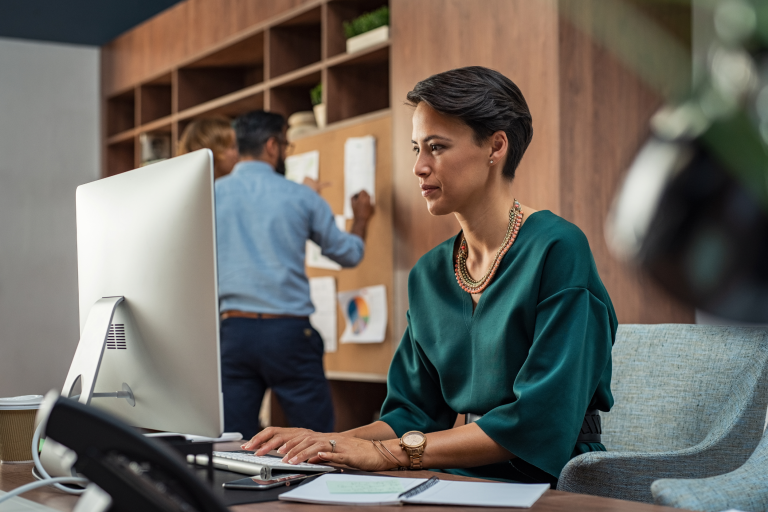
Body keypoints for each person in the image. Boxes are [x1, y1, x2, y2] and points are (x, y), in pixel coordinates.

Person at [240, 67, 617, 486]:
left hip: (556, 476)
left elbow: (539, 419)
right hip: (462, 471)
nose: (419, 166)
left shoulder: (559, 249)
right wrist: (326, 443)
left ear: (496, 147)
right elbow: (412, 413)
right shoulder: (430, 273)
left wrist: (386, 454)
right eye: (417, 148)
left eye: (436, 147)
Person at [216, 110, 374, 439]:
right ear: (272, 146)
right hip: (287, 334)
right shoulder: (300, 197)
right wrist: (361, 219)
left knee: (231, 442)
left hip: (233, 333)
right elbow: (348, 253)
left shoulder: (211, 194)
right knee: (314, 440)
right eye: (286, 145)